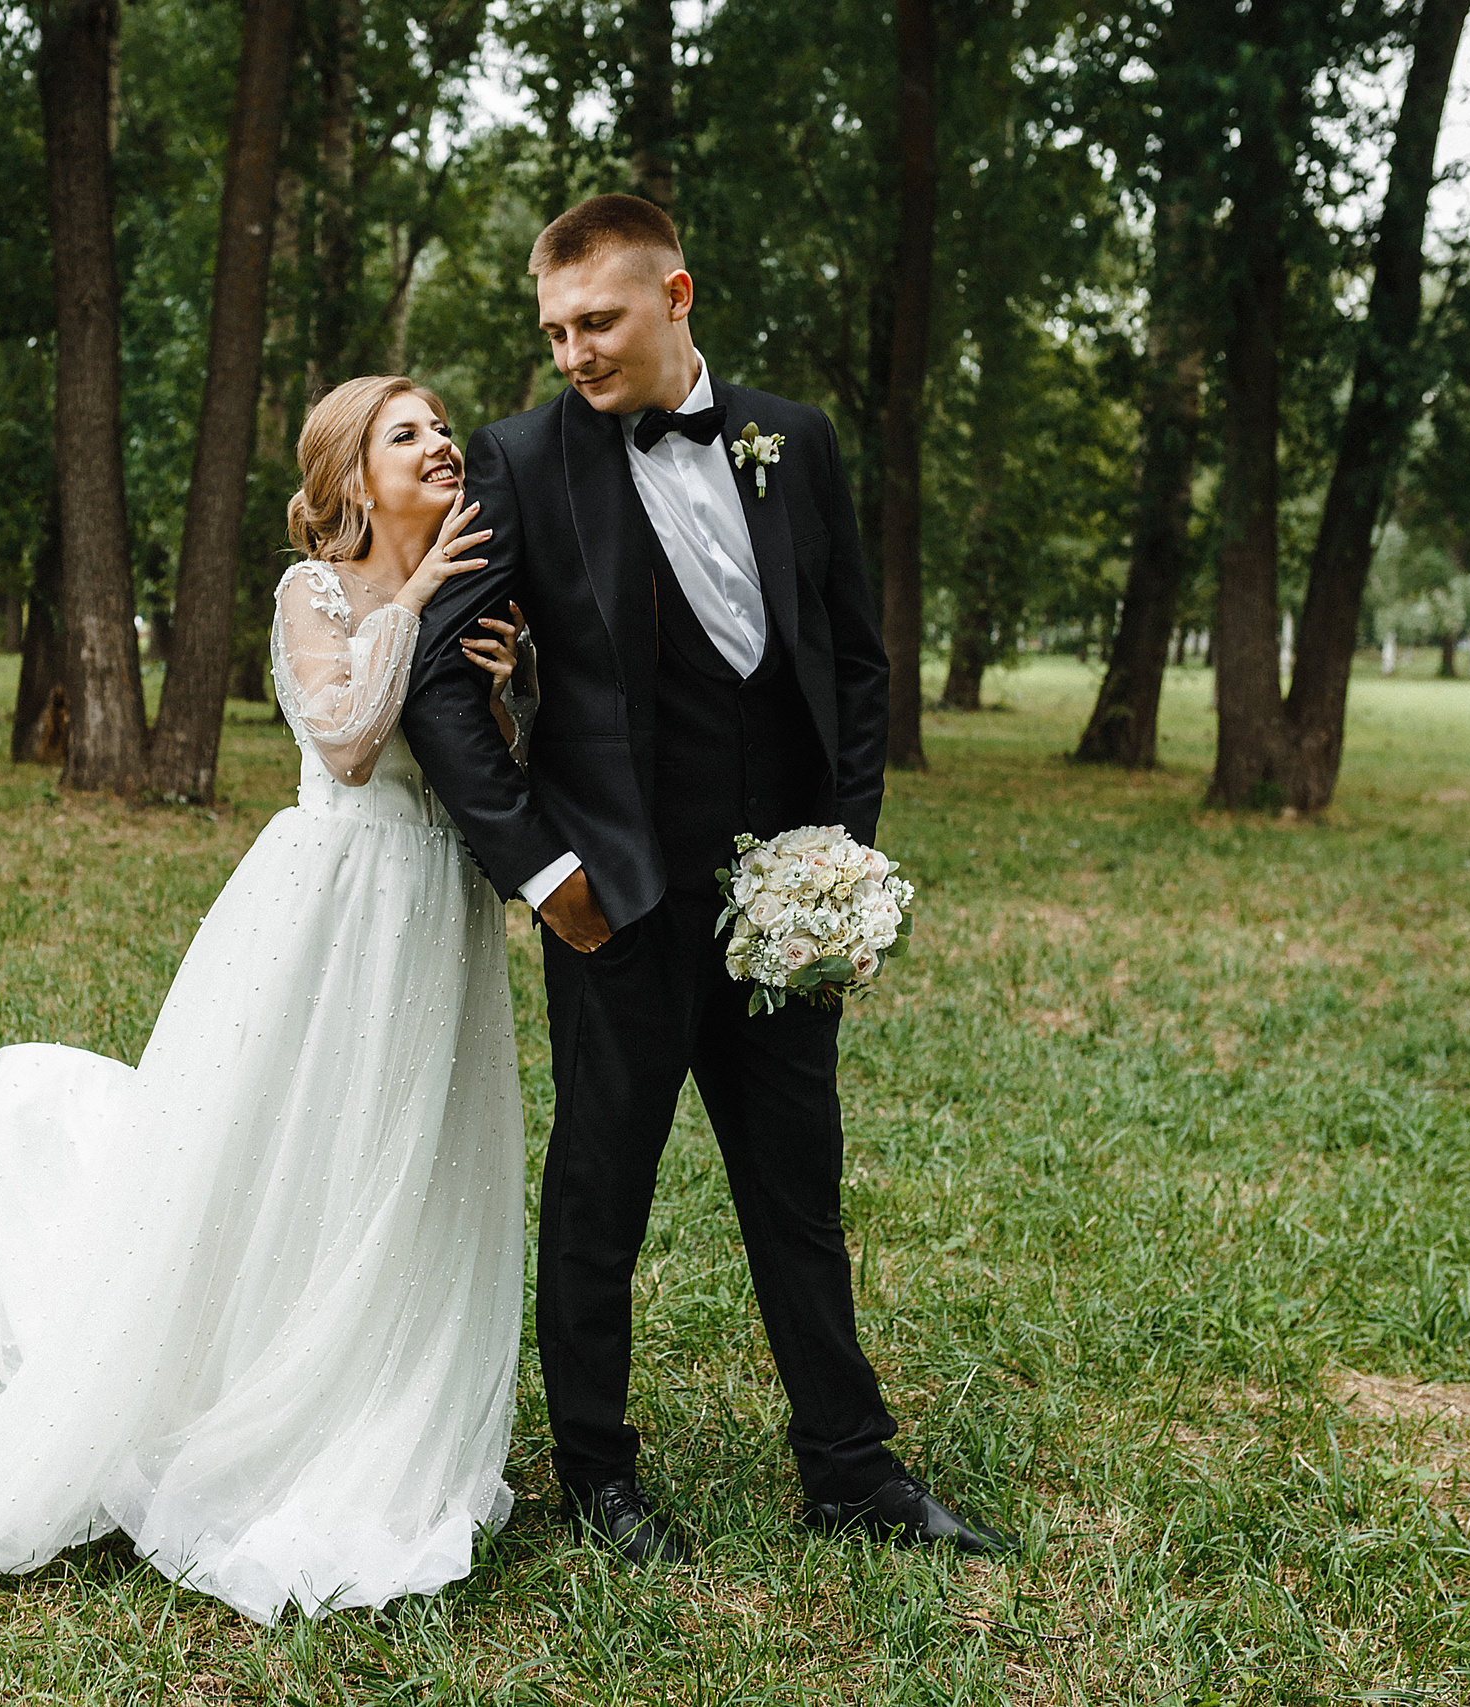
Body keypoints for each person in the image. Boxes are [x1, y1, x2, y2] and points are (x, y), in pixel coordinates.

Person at [400, 194, 1017, 1564]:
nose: (572, 351)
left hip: (781, 905)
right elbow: (440, 686)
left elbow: (852, 664)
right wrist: (545, 869)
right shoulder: (520, 460)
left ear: (675, 296)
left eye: (597, 321)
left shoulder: (795, 439)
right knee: (600, 1196)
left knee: (800, 1189)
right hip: (616, 902)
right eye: (554, 330)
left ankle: (850, 1467)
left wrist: (838, 861)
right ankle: (599, 1477)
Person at [0, 375, 535, 1624]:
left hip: (437, 918)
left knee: (405, 1164)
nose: (441, 444)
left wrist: (509, 689)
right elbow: (345, 742)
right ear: (350, 476)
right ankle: (252, 1392)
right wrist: (414, 601)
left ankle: (376, 1400)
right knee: (302, 1151)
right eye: (406, 433)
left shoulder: (469, 598)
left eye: (444, 427)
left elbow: (485, 781)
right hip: (337, 904)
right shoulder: (316, 591)